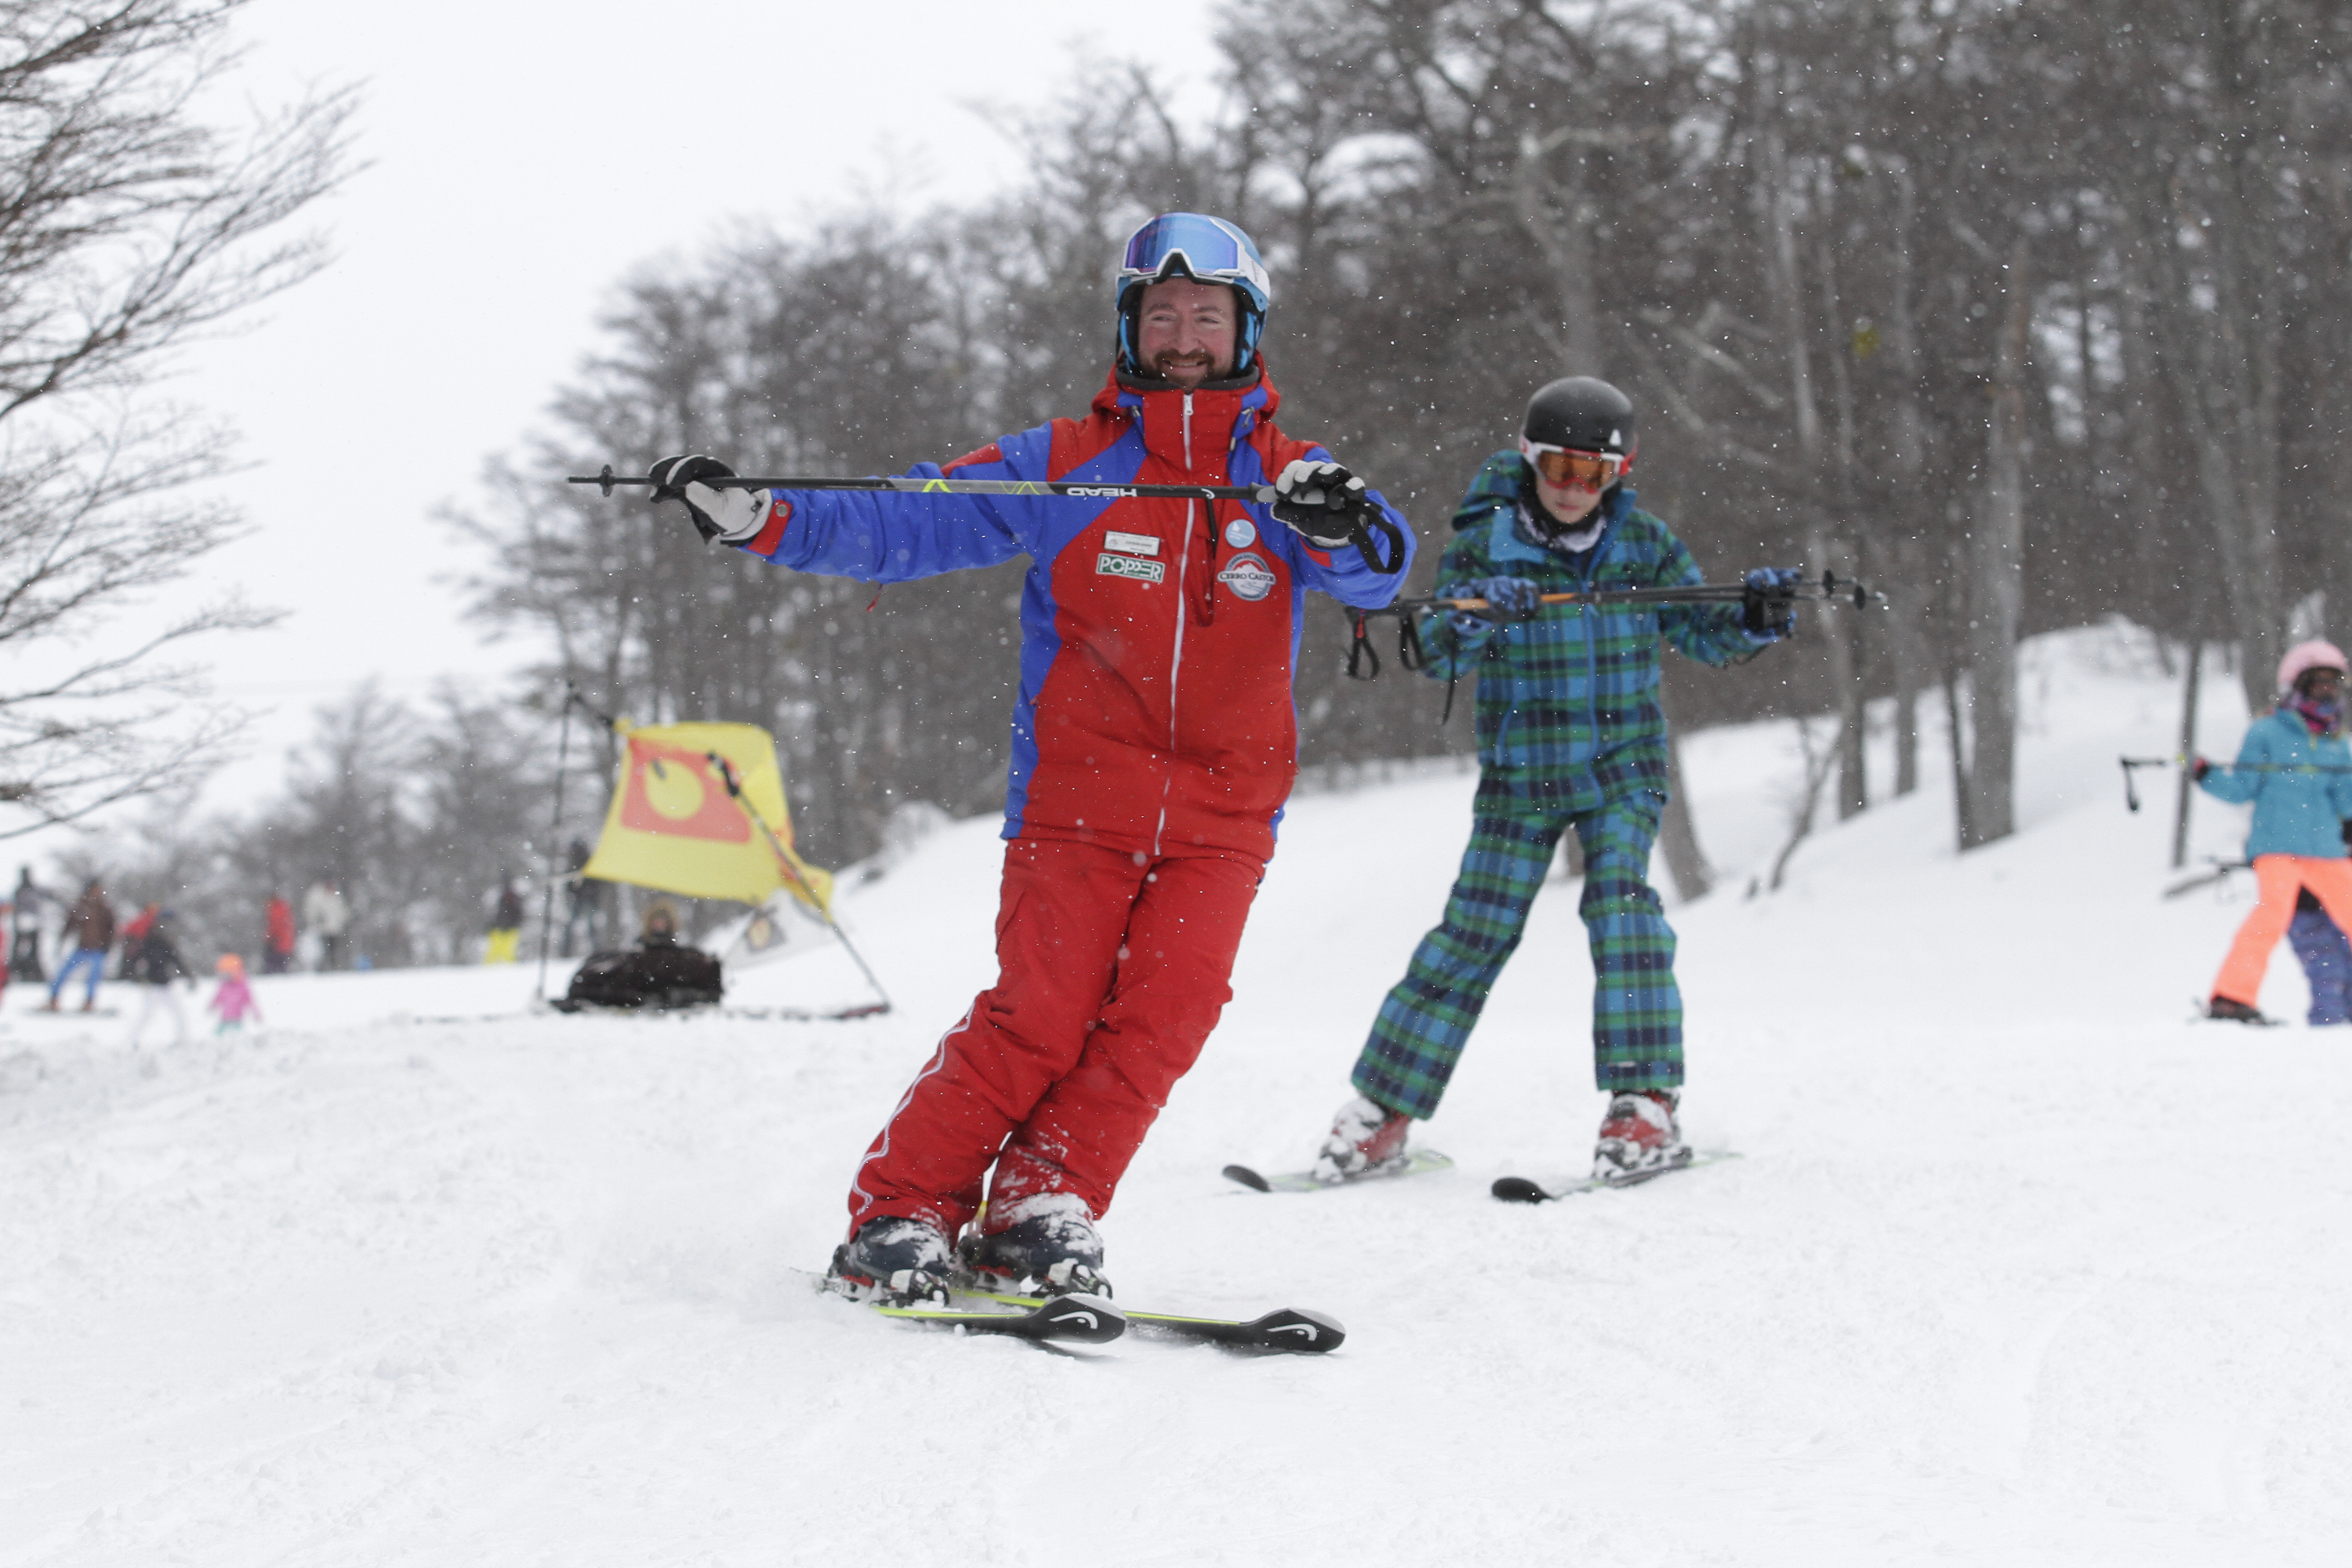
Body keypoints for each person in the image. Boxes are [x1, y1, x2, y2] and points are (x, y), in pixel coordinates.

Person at [646, 212, 1414, 1300]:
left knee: (1164, 1018)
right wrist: (759, 518)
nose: (1184, 336)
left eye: (1207, 316)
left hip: (1224, 819)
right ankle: (901, 1210)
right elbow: (907, 519)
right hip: (1078, 803)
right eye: (1162, 315)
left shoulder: (1288, 479)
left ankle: (1044, 1202)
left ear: (1245, 332)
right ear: (1129, 327)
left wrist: (1338, 524)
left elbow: (1378, 570)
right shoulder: (1066, 465)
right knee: (1041, 1014)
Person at [1312, 377, 1798, 1185]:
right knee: (1471, 933)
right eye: (1558, 469)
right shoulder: (1487, 540)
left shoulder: (1641, 543)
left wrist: (1754, 616)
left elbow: (1703, 633)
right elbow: (1432, 648)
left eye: (1593, 474)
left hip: (1620, 765)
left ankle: (1641, 1106)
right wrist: (1473, 617)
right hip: (1522, 769)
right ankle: (1380, 1113)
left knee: (1620, 907)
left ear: (1620, 473)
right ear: (1527, 460)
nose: (1573, 491)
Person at [2193, 640, 2352, 1024]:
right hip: (2278, 847)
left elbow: (2348, 805)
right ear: (2297, 687)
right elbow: (2241, 788)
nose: (2327, 692)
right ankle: (2231, 998)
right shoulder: (2266, 733)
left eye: (2334, 684)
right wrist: (2205, 775)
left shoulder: (2337, 746)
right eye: (2319, 684)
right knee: (2271, 917)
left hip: (2327, 850)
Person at [123, 908, 193, 1048]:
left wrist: (189, 976)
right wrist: (136, 976)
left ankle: (184, 1041)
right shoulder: (149, 941)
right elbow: (135, 960)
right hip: (152, 986)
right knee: (147, 1015)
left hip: (166, 985)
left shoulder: (167, 942)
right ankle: (129, 1042)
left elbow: (177, 960)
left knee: (179, 1014)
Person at [44, 880, 115, 1013]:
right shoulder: (82, 906)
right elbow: (70, 924)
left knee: (93, 978)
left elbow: (111, 928)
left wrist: (108, 945)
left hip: (98, 949)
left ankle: (89, 1002)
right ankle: (53, 999)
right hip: (83, 948)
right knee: (63, 973)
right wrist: (62, 939)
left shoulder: (104, 908)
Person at [208, 954, 263, 1034]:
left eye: (226, 974)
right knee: (217, 1035)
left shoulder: (243, 986)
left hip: (238, 1020)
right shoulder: (224, 986)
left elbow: (250, 1001)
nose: (224, 977)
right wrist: (212, 1006)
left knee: (239, 1035)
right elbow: (218, 997)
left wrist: (256, 1013)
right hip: (224, 1019)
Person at [10, 866, 46, 983]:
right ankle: (20, 971)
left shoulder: (25, 890)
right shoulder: (26, 890)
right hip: (26, 921)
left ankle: (26, 971)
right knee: (22, 949)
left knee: (28, 949)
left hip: (29, 921)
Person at [304, 880, 350, 972]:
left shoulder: (336, 897)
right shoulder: (318, 896)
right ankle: (322, 969)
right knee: (322, 951)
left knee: (333, 951)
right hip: (322, 930)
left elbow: (342, 911)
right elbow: (311, 911)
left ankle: (332, 968)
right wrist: (316, 920)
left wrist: (345, 919)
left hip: (334, 930)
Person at [484, 877, 524, 964]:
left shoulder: (512, 901)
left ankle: (507, 969)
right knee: (498, 951)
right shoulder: (503, 900)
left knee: (505, 952)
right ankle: (490, 969)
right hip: (501, 928)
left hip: (507, 929)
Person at [263, 892, 296, 975]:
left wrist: (271, 937)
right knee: (282, 962)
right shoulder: (282, 907)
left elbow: (276, 925)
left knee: (274, 962)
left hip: (278, 940)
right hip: (283, 940)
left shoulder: (276, 909)